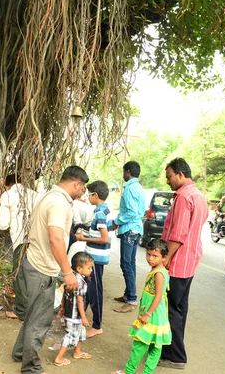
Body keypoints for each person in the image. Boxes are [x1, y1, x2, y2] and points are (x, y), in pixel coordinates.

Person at [11, 165, 89, 374]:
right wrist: (67, 272)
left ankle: (20, 352)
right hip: (42, 268)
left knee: (33, 313)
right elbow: (56, 239)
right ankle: (31, 368)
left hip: (34, 262)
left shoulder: (48, 196)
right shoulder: (59, 203)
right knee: (40, 320)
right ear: (77, 184)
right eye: (83, 189)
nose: (82, 193)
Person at [158, 158, 208, 370]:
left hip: (179, 262)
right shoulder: (199, 196)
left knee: (172, 310)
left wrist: (166, 257)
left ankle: (176, 356)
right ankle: (170, 350)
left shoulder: (183, 197)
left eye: (169, 176)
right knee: (179, 308)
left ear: (180, 174)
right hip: (191, 260)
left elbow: (178, 234)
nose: (168, 181)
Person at [113, 239, 172, 374]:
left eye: (155, 256)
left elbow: (158, 296)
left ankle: (129, 371)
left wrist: (147, 314)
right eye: (148, 254)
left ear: (164, 258)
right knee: (155, 346)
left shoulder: (159, 274)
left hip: (153, 315)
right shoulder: (158, 270)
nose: (150, 258)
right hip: (158, 315)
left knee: (140, 344)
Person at [0, 174, 40, 319]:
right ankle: (36, 308)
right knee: (35, 273)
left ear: (7, 185)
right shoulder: (36, 195)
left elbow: (2, 224)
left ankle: (21, 311)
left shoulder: (8, 195)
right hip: (38, 240)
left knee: (20, 275)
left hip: (21, 241)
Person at [75, 180, 111, 338]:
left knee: (95, 292)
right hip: (94, 257)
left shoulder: (100, 213)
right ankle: (78, 315)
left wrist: (84, 239)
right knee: (89, 289)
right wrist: (87, 235)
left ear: (95, 195)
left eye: (89, 194)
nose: (87, 197)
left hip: (96, 259)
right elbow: (98, 233)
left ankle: (97, 325)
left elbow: (104, 239)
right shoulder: (103, 210)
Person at [112, 161, 147, 313]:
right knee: (130, 263)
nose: (123, 175)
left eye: (124, 172)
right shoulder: (138, 187)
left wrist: (116, 222)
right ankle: (128, 294)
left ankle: (131, 299)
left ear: (128, 172)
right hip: (136, 228)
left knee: (126, 264)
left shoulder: (129, 189)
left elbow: (131, 212)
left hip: (129, 229)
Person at [53, 252, 94, 367]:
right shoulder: (80, 283)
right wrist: (84, 317)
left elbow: (65, 294)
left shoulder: (71, 279)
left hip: (70, 312)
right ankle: (59, 358)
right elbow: (80, 301)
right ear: (79, 268)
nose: (91, 270)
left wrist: (63, 307)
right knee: (70, 335)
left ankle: (77, 352)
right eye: (89, 268)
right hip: (75, 315)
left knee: (81, 332)